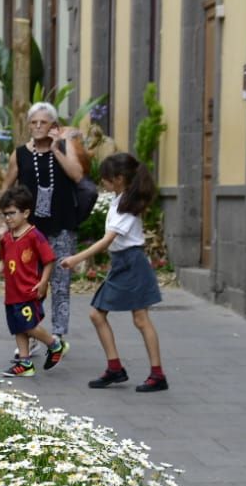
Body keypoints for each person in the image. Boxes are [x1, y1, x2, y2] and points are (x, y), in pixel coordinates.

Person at [61, 152, 167, 393]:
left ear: (119, 179)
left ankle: (157, 374)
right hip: (123, 263)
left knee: (140, 319)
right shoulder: (121, 200)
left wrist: (77, 258)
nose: (103, 184)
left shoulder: (127, 205)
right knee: (98, 315)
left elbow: (108, 240)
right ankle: (115, 368)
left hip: (132, 264)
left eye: (106, 179)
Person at [2, 102, 88, 348]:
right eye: (34, 122)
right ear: (28, 125)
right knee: (29, 283)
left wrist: (56, 149)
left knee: (61, 282)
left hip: (61, 227)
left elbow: (77, 175)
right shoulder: (19, 154)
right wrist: (5, 220)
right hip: (29, 231)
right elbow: (6, 187)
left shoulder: (63, 148)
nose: (38, 127)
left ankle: (59, 334)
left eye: (44, 122)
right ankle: (35, 331)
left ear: (53, 126)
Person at [0, 186, 69, 377]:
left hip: (29, 291)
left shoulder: (35, 236)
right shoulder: (7, 238)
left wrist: (43, 282)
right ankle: (25, 363)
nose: (7, 218)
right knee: (18, 326)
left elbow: (49, 260)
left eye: (11, 213)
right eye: (4, 215)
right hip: (12, 292)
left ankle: (54, 344)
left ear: (26, 212)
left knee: (29, 325)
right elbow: (3, 261)